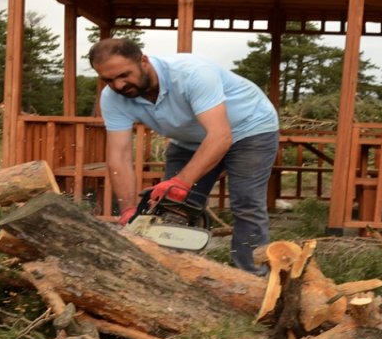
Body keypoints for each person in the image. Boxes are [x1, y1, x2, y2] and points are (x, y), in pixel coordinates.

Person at [88, 38, 280, 275]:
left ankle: (254, 279)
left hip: (249, 129)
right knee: (170, 208)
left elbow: (220, 136)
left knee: (246, 203)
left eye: (124, 75)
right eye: (108, 80)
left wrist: (181, 182)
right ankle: (175, 276)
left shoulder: (192, 73)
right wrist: (127, 210)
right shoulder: (112, 98)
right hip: (189, 141)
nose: (118, 85)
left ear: (143, 61)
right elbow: (119, 157)